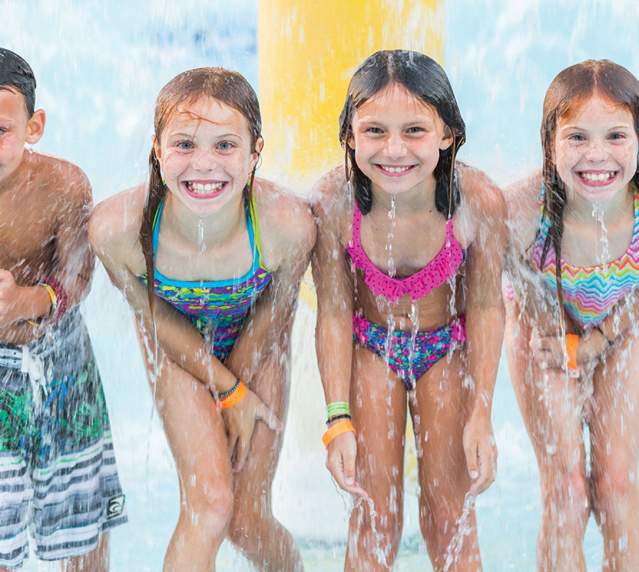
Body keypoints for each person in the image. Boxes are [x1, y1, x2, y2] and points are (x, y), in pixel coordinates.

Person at [89, 67, 315, 571]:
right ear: (157, 149)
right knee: (211, 506)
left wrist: (239, 385)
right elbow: (153, 319)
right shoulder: (116, 231)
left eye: (225, 146)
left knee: (248, 519)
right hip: (175, 349)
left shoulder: (286, 225)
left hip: (257, 343)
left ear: (256, 153)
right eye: (185, 144)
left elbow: (275, 313)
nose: (204, 164)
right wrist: (226, 391)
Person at [311, 50, 506, 571]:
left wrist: (481, 414)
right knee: (376, 518)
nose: (394, 150)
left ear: (447, 134)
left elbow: (486, 307)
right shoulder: (334, 200)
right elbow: (331, 313)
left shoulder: (477, 200)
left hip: (445, 348)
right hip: (372, 347)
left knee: (450, 518)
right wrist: (338, 419)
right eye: (375, 130)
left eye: (414, 130)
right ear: (350, 134)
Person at [506, 59, 639, 572]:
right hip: (542, 330)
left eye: (616, 136)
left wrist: (599, 340)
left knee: (618, 484)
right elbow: (505, 266)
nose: (597, 155)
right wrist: (552, 328)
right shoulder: (521, 209)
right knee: (566, 488)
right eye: (577, 137)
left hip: (622, 329)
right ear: (550, 143)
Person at [0, 48, 126, 571]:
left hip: (59, 356)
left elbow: (79, 272)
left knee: (81, 515)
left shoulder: (63, 185)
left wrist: (31, 301)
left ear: (35, 126)